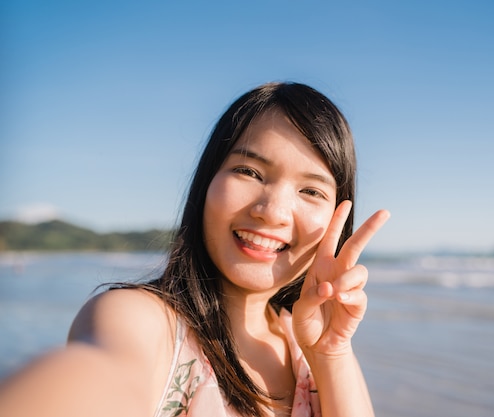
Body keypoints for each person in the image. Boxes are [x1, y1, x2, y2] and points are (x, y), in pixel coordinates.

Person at [0, 81, 390, 417]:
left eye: (310, 191)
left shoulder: (314, 347)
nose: (272, 212)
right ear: (207, 183)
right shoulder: (142, 321)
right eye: (249, 172)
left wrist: (331, 354)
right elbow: (93, 380)